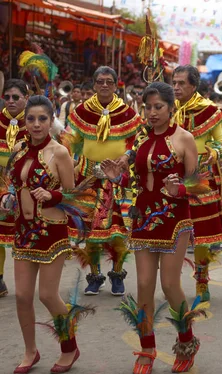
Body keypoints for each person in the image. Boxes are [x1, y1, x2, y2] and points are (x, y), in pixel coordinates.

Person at [101, 82, 200, 374]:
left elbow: (198, 183)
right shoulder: (140, 140)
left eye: (158, 107)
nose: (152, 112)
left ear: (171, 107)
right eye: (148, 107)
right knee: (143, 284)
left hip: (174, 218)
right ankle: (147, 348)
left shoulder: (185, 139)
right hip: (143, 218)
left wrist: (179, 188)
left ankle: (185, 343)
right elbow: (138, 181)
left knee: (170, 285)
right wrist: (116, 178)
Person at [8, 96, 94, 374]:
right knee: (22, 296)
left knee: (47, 294)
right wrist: (7, 199)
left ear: (51, 120)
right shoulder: (19, 149)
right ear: (25, 120)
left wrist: (53, 194)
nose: (35, 124)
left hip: (51, 232)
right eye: (30, 119)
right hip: (23, 230)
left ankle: (69, 347)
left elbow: (75, 196)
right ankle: (30, 351)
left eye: (42, 119)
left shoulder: (60, 153)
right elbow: (13, 185)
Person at [67, 66, 143, 296]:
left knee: (118, 231)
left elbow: (136, 141)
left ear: (116, 85)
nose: (104, 85)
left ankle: (117, 276)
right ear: (94, 84)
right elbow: (74, 140)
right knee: (90, 232)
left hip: (117, 178)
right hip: (88, 177)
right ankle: (95, 276)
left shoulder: (128, 113)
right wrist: (69, 160)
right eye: (100, 81)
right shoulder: (81, 111)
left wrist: (126, 156)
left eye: (109, 81)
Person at [172, 64, 222, 302]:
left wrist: (214, 152)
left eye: (181, 84)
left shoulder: (211, 111)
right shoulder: (166, 108)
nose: (176, 88)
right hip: (172, 178)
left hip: (202, 178)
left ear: (194, 86)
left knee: (202, 234)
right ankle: (172, 282)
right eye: (174, 83)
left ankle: (201, 281)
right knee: (174, 231)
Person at [0, 79, 29, 297]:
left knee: (24, 232)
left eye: (15, 97)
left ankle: (26, 283)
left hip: (24, 184)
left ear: (26, 98)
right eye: (7, 96)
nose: (10, 101)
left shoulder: (34, 121)